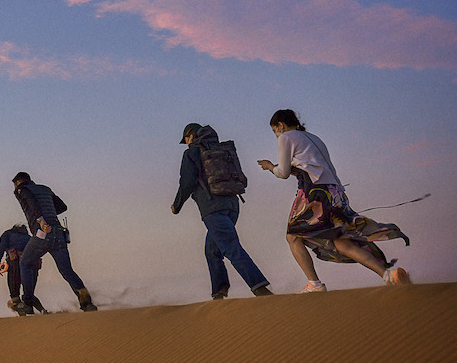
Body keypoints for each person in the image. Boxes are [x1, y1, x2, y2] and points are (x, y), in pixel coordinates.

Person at [257, 108, 411, 292]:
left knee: (293, 236)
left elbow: (283, 172)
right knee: (341, 241)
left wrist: (270, 167)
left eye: (275, 131)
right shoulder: (314, 138)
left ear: (280, 125)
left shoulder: (286, 137)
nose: (276, 135)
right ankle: (388, 275)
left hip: (314, 192)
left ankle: (314, 284)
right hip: (335, 192)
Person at [172, 123, 274, 300]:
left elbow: (186, 182)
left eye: (186, 139)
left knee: (230, 247)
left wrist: (177, 205)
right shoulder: (222, 150)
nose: (186, 143)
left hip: (212, 209)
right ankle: (219, 292)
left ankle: (260, 288)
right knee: (212, 251)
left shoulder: (191, 153)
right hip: (232, 205)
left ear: (190, 136)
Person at [11, 172, 97, 313]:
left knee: (25, 263)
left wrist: (41, 220)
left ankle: (27, 303)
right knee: (66, 270)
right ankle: (86, 302)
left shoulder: (21, 190)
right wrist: (49, 213)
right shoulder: (46, 189)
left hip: (43, 233)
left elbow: (31, 201)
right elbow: (62, 207)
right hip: (58, 234)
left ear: (18, 182)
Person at [0, 224, 45, 315]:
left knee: (14, 294)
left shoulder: (7, 234)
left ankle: (23, 315)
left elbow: (1, 247)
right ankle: (41, 310)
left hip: (15, 263)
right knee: (29, 294)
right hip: (33, 265)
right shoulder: (28, 237)